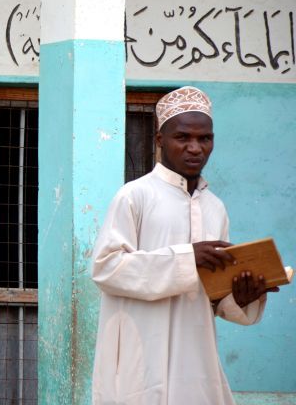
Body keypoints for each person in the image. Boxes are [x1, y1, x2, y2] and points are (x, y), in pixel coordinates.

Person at [91, 86, 278, 404]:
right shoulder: (134, 196)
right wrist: (185, 258)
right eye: (183, 138)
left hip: (195, 361)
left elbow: (212, 298)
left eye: (204, 138)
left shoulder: (215, 207)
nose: (195, 148)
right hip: (140, 358)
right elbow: (106, 269)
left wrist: (241, 298)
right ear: (160, 140)